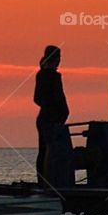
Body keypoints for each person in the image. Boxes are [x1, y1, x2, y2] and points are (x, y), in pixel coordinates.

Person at [34, 45, 69, 183]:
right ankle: (47, 180)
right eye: (58, 58)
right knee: (49, 149)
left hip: (48, 117)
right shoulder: (52, 76)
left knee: (44, 149)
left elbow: (38, 98)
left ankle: (44, 180)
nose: (60, 61)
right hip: (51, 118)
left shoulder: (42, 75)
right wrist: (56, 110)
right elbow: (58, 97)